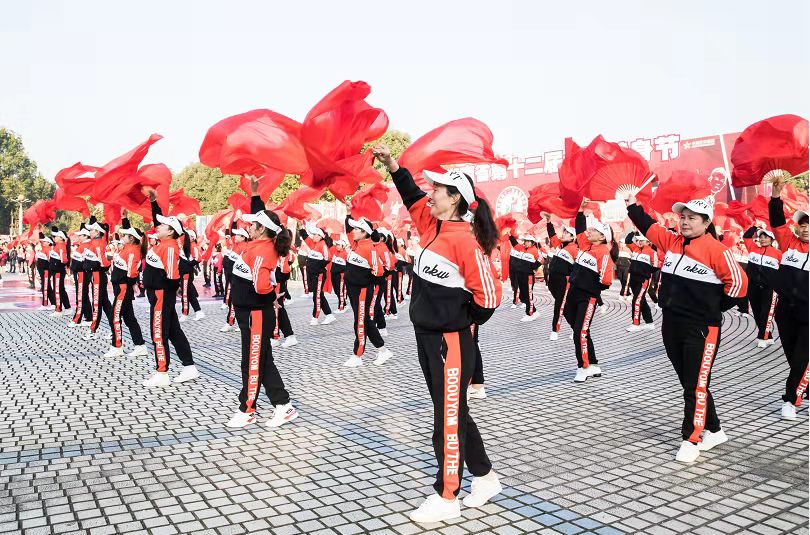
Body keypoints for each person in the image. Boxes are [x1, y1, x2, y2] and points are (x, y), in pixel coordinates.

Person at [375, 144, 503, 524]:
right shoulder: (432, 225)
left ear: (455, 199)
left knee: (446, 421)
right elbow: (410, 194)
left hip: (450, 342)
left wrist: (458, 320)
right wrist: (394, 166)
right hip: (427, 337)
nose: (430, 194)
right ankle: (485, 478)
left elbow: (489, 296)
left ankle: (447, 496)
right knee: (454, 412)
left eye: (438, 190)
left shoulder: (465, 239)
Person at [627, 195, 748, 463]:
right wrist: (631, 203)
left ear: (706, 223)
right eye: (682, 217)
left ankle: (691, 439)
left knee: (695, 385)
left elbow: (740, 285)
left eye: (692, 218)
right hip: (671, 324)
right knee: (691, 382)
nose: (684, 222)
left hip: (701, 328)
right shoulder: (671, 241)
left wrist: (712, 308)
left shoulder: (717, 250)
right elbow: (646, 225)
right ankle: (715, 430)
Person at [226, 179, 298, 428]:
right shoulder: (259, 243)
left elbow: (261, 285)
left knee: (252, 362)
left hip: (255, 314)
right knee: (262, 360)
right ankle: (284, 406)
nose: (249, 226)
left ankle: (247, 410)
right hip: (251, 313)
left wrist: (271, 297)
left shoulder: (262, 250)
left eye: (252, 225)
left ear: (261, 229)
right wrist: (256, 194)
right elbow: (264, 218)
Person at [141, 189, 199, 387]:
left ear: (171, 231)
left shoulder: (170, 246)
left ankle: (162, 372)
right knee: (174, 331)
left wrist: (167, 293)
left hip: (161, 295)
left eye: (163, 226)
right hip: (158, 294)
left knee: (158, 332)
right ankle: (189, 366)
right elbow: (157, 220)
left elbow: (173, 276)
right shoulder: (163, 242)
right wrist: (153, 202)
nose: (158, 227)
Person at [767, 182, 808, 420]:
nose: (806, 229)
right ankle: (804, 387)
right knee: (793, 357)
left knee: (803, 357)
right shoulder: (789, 243)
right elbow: (777, 222)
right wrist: (775, 196)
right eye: (803, 225)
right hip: (785, 311)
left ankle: (790, 400)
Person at [563, 201, 615, 382]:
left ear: (602, 237)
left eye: (594, 230)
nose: (590, 231)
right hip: (573, 294)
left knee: (580, 332)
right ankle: (593, 364)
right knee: (581, 331)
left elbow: (606, 280)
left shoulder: (604, 252)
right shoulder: (586, 245)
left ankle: (583, 367)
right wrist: (579, 210)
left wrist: (590, 288)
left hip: (587, 297)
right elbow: (579, 229)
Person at [342, 215, 392, 367]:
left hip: (362, 291)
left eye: (357, 229)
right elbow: (347, 228)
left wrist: (364, 280)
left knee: (360, 322)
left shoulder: (369, 248)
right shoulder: (357, 243)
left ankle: (357, 355)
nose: (353, 231)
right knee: (364, 321)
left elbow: (379, 272)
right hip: (354, 290)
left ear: (364, 232)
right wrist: (348, 212)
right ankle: (383, 350)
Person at [105, 216, 148, 358]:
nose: (122, 237)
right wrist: (124, 217)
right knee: (129, 318)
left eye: (125, 235)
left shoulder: (133, 250)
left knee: (114, 317)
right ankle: (140, 346)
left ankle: (117, 347)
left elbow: (132, 272)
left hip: (123, 288)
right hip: (121, 287)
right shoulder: (127, 248)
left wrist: (128, 285)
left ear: (131, 238)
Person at [742, 225, 781, 348]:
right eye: (761, 236)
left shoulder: (778, 254)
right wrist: (755, 227)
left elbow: (783, 273)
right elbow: (746, 236)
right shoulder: (752, 248)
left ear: (772, 239)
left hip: (769, 289)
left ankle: (762, 337)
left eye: (766, 237)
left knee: (766, 314)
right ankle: (768, 336)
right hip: (753, 288)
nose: (763, 239)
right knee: (757, 313)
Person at [543, 213, 578, 340]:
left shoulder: (575, 248)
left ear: (572, 237)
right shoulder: (560, 245)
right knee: (565, 307)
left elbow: (578, 268)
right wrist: (548, 222)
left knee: (559, 305)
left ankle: (555, 330)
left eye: (566, 233)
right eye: (564, 232)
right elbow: (552, 235)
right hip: (553, 281)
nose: (563, 234)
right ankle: (576, 328)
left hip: (564, 282)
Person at [83, 217, 115, 341]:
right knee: (106, 304)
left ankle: (93, 330)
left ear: (97, 232)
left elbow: (105, 263)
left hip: (97, 276)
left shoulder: (98, 243)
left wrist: (95, 266)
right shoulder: (96, 242)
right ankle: (115, 330)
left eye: (92, 230)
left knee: (96, 304)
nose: (89, 232)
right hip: (96, 276)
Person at [299, 223, 336, 326]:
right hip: (313, 274)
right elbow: (305, 237)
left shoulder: (322, 244)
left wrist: (318, 267)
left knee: (317, 296)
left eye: (315, 234)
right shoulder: (313, 243)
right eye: (313, 234)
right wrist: (301, 227)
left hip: (318, 275)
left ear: (321, 236)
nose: (313, 236)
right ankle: (329, 315)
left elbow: (328, 258)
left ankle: (315, 317)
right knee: (319, 295)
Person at [624, 231, 658, 332]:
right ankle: (650, 323)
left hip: (643, 280)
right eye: (639, 240)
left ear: (648, 242)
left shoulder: (652, 252)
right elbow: (628, 241)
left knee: (637, 300)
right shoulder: (635, 248)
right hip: (633, 279)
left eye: (642, 240)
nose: (640, 242)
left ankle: (635, 324)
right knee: (641, 300)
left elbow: (656, 266)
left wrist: (644, 271)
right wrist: (633, 232)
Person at [220, 226, 249, 332]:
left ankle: (231, 323)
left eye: (237, 235)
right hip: (233, 278)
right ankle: (239, 323)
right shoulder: (237, 246)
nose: (235, 236)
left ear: (243, 237)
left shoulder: (244, 247)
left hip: (239, 279)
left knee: (235, 301)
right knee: (235, 301)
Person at [508, 233, 541, 322]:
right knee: (523, 296)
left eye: (528, 241)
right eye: (525, 241)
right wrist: (510, 235)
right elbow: (514, 243)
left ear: (533, 242)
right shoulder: (521, 248)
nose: (526, 242)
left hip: (528, 276)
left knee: (528, 295)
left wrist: (533, 267)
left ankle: (530, 314)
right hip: (520, 275)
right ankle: (534, 311)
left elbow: (541, 259)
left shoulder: (535, 250)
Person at [273, 234, 298, 348]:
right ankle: (288, 335)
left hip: (277, 282)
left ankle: (277, 336)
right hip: (275, 280)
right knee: (278, 309)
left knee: (277, 309)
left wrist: (277, 279)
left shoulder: (281, 251)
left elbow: (285, 270)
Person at [179, 229, 205, 322]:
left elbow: (198, 259)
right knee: (189, 294)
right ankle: (198, 311)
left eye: (188, 236)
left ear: (192, 238)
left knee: (185, 294)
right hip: (183, 273)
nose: (186, 237)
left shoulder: (193, 246)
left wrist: (188, 265)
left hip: (186, 273)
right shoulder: (186, 245)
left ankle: (185, 313)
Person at [69, 226, 93, 328]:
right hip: (80, 273)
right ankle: (89, 317)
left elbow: (83, 261)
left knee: (80, 296)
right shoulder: (83, 245)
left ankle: (77, 319)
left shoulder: (86, 246)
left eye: (80, 235)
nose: (78, 237)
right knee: (84, 295)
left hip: (82, 274)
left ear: (85, 236)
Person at [48, 227, 72, 318]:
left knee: (57, 290)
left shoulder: (61, 246)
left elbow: (64, 260)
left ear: (61, 238)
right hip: (57, 271)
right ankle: (68, 308)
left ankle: (58, 310)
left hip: (58, 271)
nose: (54, 238)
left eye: (56, 236)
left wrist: (56, 264)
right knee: (61, 290)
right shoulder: (58, 245)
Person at [36, 233, 55, 310]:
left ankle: (44, 305)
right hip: (42, 271)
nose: (43, 242)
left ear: (49, 242)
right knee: (47, 287)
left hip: (46, 271)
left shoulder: (49, 249)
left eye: (45, 241)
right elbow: (41, 239)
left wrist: (49, 271)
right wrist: (40, 233)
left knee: (45, 287)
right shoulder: (44, 247)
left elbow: (50, 261)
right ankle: (53, 303)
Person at [329, 238, 348, 314]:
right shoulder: (335, 252)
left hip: (341, 276)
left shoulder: (346, 254)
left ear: (343, 246)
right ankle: (344, 304)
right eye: (336, 244)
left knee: (340, 291)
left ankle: (341, 307)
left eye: (339, 245)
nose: (337, 246)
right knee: (337, 291)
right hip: (334, 275)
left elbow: (348, 266)